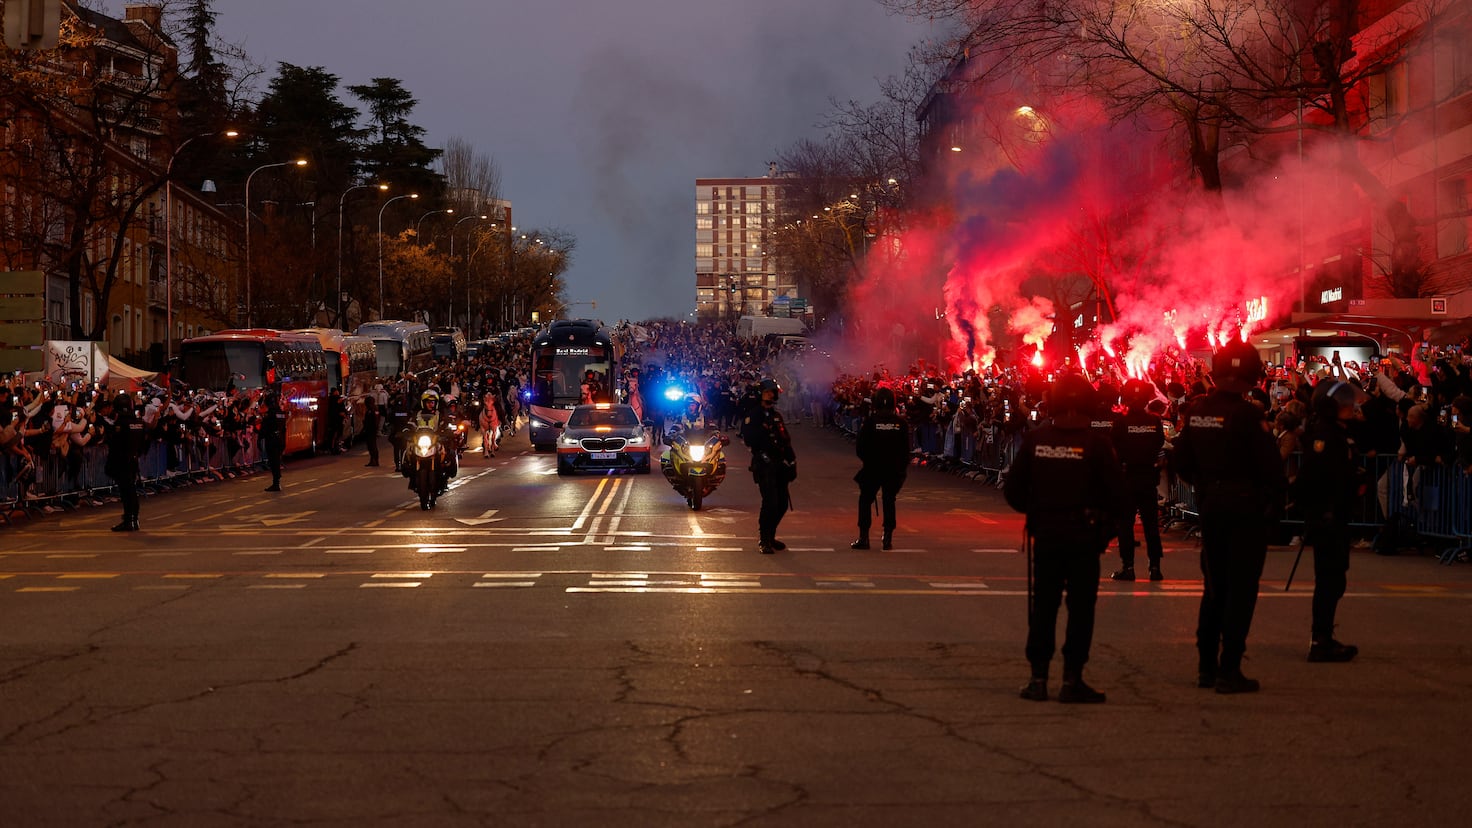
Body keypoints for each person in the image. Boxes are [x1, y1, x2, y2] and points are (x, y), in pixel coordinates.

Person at [1173, 340, 1286, 694]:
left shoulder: (1196, 411)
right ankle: (1229, 667)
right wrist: (1274, 508)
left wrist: (1206, 486)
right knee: (1241, 589)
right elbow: (1271, 468)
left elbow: (1181, 461)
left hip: (1211, 504)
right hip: (1246, 506)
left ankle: (1206, 666)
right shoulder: (1251, 415)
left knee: (1214, 587)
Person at [1004, 373, 1125, 704]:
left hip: (1047, 534)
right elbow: (1118, 496)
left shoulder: (1035, 441)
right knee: (1081, 609)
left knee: (1043, 606)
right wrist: (1103, 530)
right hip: (1084, 537)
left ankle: (1038, 679)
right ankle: (1072, 680)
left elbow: (1013, 490)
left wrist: (1037, 512)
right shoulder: (1098, 444)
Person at [1296, 380, 1368, 663]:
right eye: (1344, 403)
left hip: (1336, 515)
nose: (1351, 407)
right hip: (1328, 517)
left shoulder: (1338, 433)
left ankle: (1323, 635)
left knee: (1334, 579)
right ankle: (1320, 639)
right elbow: (1315, 479)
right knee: (1329, 580)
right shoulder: (1324, 437)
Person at [1111, 379, 1167, 581]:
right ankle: (1155, 567)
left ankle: (1128, 567)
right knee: (1151, 525)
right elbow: (1159, 446)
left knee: (1125, 524)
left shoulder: (1120, 423)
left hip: (1127, 478)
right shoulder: (1154, 422)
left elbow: (1114, 450)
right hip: (1148, 479)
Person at [851, 386, 911, 550]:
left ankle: (864, 538)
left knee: (865, 501)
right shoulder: (901, 423)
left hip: (872, 468)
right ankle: (887, 538)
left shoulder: (870, 422)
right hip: (893, 470)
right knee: (889, 501)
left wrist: (869, 462)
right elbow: (906, 450)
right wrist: (900, 469)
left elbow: (860, 448)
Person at [741, 377, 796, 555]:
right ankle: (764, 539)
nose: (770, 395)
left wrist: (792, 462)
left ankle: (771, 535)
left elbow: (785, 441)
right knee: (770, 503)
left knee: (781, 504)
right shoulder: (753, 415)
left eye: (772, 393)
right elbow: (750, 439)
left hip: (779, 465)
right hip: (764, 465)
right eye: (767, 392)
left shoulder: (776, 416)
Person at [104, 393, 147, 531]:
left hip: (122, 461)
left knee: (126, 491)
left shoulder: (120, 424)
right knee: (131, 490)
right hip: (133, 460)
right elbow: (144, 443)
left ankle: (129, 519)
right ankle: (134, 519)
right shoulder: (139, 423)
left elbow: (114, 442)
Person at [258, 393, 288, 492]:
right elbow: (284, 428)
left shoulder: (269, 414)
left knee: (273, 462)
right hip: (280, 439)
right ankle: (277, 481)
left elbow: (264, 429)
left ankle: (276, 483)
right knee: (277, 461)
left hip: (272, 440)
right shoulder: (281, 413)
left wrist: (259, 439)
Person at [362, 392, 381, 467]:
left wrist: (374, 428)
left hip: (371, 430)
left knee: (372, 445)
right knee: (370, 445)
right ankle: (372, 460)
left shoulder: (373, 409)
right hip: (369, 429)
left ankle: (375, 460)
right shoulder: (370, 409)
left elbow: (375, 420)